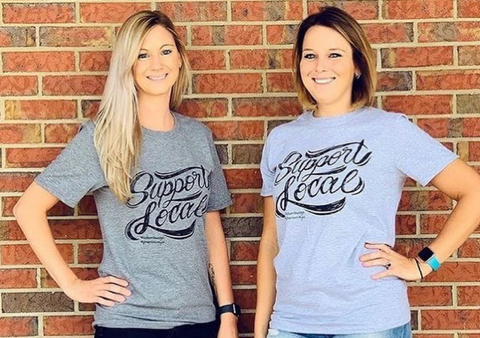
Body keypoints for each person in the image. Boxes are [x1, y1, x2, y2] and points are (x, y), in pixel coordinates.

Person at [255, 6, 480, 338]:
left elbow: (473, 192)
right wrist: (263, 328)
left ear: (357, 65)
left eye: (334, 54)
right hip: (291, 324)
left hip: (369, 321)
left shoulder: (389, 131)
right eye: (310, 55)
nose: (321, 67)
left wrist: (422, 265)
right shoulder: (281, 141)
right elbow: (272, 241)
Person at [14, 10, 239, 338]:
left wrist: (227, 312)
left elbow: (211, 227)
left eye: (165, 51)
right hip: (129, 323)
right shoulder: (103, 137)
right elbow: (27, 209)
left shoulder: (197, 137)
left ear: (179, 59)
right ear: (128, 66)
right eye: (142, 55)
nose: (156, 64)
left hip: (199, 321)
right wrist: (73, 285)